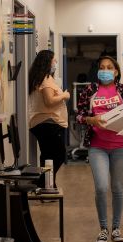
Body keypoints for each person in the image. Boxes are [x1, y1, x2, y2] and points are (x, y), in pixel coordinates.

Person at [76, 56, 123, 242]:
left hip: (120, 147)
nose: (105, 70)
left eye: (109, 67)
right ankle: (103, 229)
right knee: (101, 187)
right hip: (97, 146)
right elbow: (79, 115)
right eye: (102, 67)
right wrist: (91, 120)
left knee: (117, 188)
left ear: (115, 72)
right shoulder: (90, 90)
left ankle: (116, 228)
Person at [28, 50, 70, 187]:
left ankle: (48, 184)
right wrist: (64, 95)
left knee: (47, 156)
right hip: (47, 123)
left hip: (44, 123)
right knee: (59, 154)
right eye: (54, 60)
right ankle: (43, 182)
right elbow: (49, 101)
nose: (56, 63)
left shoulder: (40, 77)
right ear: (47, 62)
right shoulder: (45, 79)